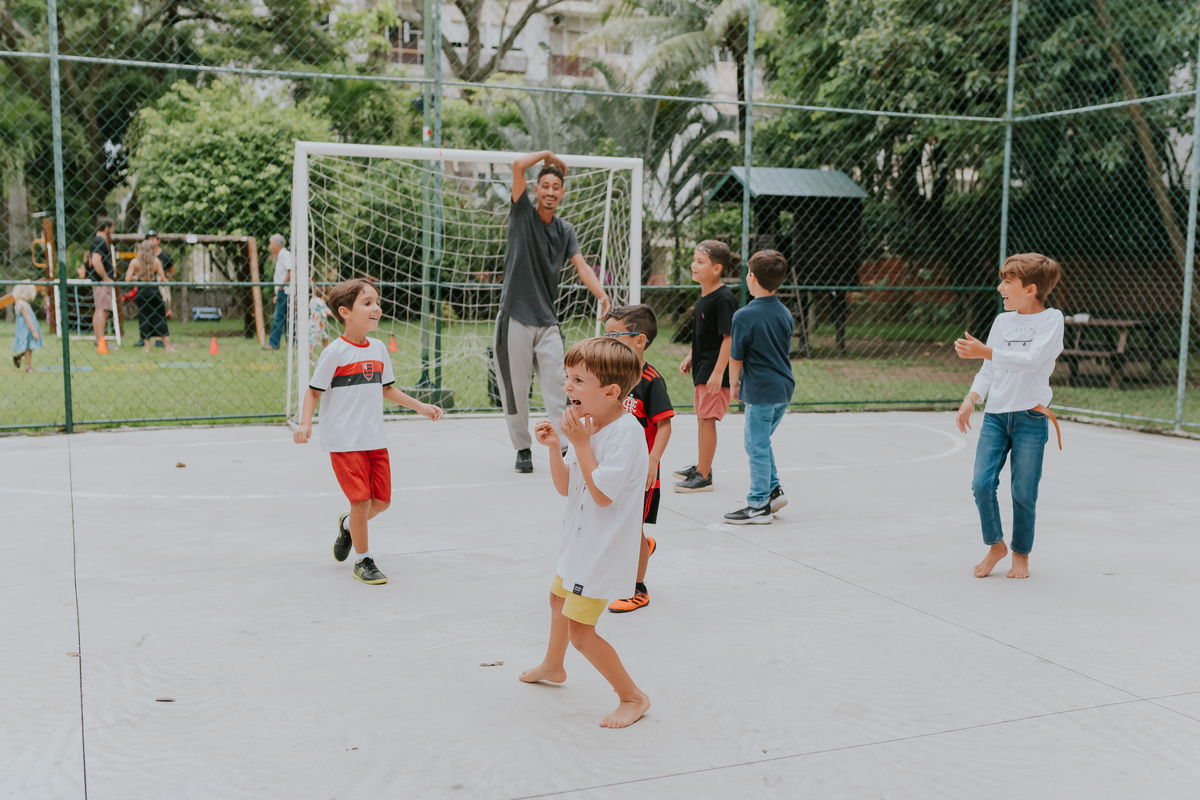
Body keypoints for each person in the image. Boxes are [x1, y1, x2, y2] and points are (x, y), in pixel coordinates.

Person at [519, 337, 651, 729]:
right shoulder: (589, 424)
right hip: (578, 544)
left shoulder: (625, 434)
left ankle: (633, 697)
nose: (568, 387)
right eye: (568, 377)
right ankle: (553, 665)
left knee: (581, 632)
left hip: (600, 552)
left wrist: (579, 443)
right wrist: (554, 447)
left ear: (611, 391)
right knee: (557, 599)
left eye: (578, 380)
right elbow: (567, 487)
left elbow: (603, 495)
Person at [294, 278, 445, 585]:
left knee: (381, 502)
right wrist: (306, 423)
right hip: (343, 441)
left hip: (374, 438)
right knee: (361, 501)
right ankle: (363, 560)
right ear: (345, 312)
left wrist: (419, 406)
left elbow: (386, 389)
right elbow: (313, 391)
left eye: (377, 302)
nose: (376, 308)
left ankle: (348, 525)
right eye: (367, 303)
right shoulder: (334, 353)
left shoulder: (378, 348)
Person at [495, 150, 612, 475]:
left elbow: (581, 265)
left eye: (555, 187)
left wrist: (601, 293)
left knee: (562, 384)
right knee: (516, 389)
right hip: (514, 317)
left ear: (562, 193)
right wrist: (547, 155)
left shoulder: (565, 230)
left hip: (547, 320)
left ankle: (564, 442)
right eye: (544, 185)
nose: (549, 191)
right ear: (536, 190)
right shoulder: (521, 214)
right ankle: (522, 448)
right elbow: (518, 166)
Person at [955, 253, 1064, 580]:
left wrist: (985, 351)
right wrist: (971, 398)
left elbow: (1031, 360)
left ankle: (1021, 555)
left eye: (1007, 282)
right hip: (996, 418)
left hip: (1031, 418)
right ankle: (996, 545)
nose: (1000, 287)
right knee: (981, 484)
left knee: (1023, 493)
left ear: (1030, 289)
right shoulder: (1002, 322)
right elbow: (989, 369)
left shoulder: (1051, 319)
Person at [602, 305, 674, 614]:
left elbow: (664, 425)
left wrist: (653, 461)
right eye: (606, 335)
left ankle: (637, 589)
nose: (607, 341)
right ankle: (642, 546)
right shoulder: (609, 376)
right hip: (614, 466)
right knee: (618, 525)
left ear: (639, 341)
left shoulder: (650, 380)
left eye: (614, 336)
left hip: (640, 473)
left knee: (631, 530)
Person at [724, 250, 796, 524]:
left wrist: (733, 383)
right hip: (783, 388)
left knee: (755, 446)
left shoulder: (744, 315)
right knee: (761, 442)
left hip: (762, 390)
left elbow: (736, 356)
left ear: (752, 277)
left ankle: (758, 505)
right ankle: (774, 491)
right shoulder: (785, 312)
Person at [673, 240, 738, 493]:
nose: (694, 265)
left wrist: (719, 372)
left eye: (700, 262)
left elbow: (728, 338)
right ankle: (702, 465)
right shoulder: (704, 296)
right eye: (694, 260)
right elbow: (706, 334)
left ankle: (703, 475)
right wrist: (691, 355)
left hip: (714, 371)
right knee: (702, 419)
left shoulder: (723, 299)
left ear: (716, 268)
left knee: (708, 420)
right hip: (703, 368)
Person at [125, 240, 176, 353]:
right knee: (160, 317)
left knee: (144, 318)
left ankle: (146, 347)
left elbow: (127, 279)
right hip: (154, 291)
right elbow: (163, 279)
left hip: (141, 291)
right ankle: (168, 347)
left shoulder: (135, 262)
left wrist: (137, 276)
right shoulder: (156, 261)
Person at [88, 218, 117, 348]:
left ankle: (98, 340)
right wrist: (105, 277)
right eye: (112, 228)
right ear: (106, 228)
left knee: (100, 309)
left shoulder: (97, 241)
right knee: (101, 310)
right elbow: (95, 261)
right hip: (101, 282)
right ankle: (100, 341)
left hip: (99, 282)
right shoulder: (99, 241)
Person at [266, 234, 294, 350]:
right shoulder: (281, 256)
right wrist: (277, 294)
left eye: (271, 244)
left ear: (277, 245)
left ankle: (274, 344)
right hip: (282, 292)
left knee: (278, 317)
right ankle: (293, 343)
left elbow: (292, 271)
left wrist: (281, 286)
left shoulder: (284, 255)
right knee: (288, 319)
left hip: (285, 292)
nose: (269, 246)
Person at [10, 283, 42, 372]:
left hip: (21, 329)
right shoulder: (25, 305)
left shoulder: (18, 303)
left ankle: (19, 356)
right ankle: (27, 367)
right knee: (29, 348)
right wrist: (34, 331)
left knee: (27, 347)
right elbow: (28, 319)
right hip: (27, 330)